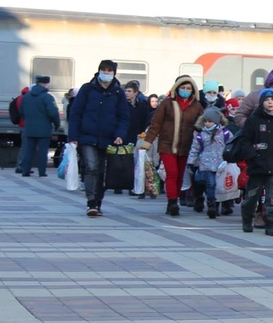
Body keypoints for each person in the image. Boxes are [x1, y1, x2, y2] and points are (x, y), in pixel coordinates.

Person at [68, 60, 132, 216]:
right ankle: (91, 202)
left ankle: (98, 201)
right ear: (98, 71)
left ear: (114, 73)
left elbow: (124, 116)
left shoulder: (118, 92)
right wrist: (73, 136)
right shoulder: (88, 89)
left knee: (104, 171)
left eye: (109, 71)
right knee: (92, 167)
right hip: (87, 136)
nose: (106, 73)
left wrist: (119, 135)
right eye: (104, 70)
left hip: (109, 138)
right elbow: (76, 113)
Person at [235, 88, 273, 237]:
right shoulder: (253, 120)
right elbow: (245, 140)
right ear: (262, 103)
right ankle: (247, 218)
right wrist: (252, 154)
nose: (270, 103)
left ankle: (272, 223)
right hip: (256, 164)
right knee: (252, 196)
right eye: (267, 100)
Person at [140, 75, 203, 217]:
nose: (185, 90)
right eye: (183, 87)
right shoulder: (167, 103)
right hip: (167, 145)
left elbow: (202, 124)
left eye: (188, 88)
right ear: (177, 88)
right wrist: (147, 142)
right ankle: (172, 201)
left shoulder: (196, 106)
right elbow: (156, 124)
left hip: (185, 146)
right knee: (172, 173)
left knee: (180, 175)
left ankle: (175, 199)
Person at [186, 106, 232, 219]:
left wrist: (232, 159)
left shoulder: (225, 133)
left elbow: (232, 146)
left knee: (221, 186)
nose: (207, 124)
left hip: (222, 165)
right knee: (210, 185)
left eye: (210, 121)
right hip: (206, 165)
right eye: (205, 121)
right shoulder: (201, 135)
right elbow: (194, 149)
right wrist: (191, 163)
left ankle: (221, 204)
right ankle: (212, 204)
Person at [19, 75, 60, 178]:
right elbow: (53, 113)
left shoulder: (26, 97)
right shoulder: (47, 97)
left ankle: (25, 171)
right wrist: (57, 124)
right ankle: (42, 172)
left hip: (29, 128)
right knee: (43, 151)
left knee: (29, 150)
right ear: (46, 84)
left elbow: (21, 111)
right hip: (44, 129)